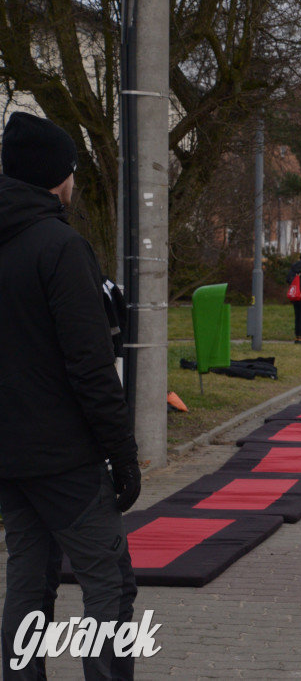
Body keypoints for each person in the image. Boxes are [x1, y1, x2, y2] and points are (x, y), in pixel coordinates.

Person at [0, 111, 140, 679]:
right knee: (109, 584)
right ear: (58, 178)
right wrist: (124, 454)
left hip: (11, 457)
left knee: (28, 583)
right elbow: (92, 368)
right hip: (66, 458)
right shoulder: (60, 247)